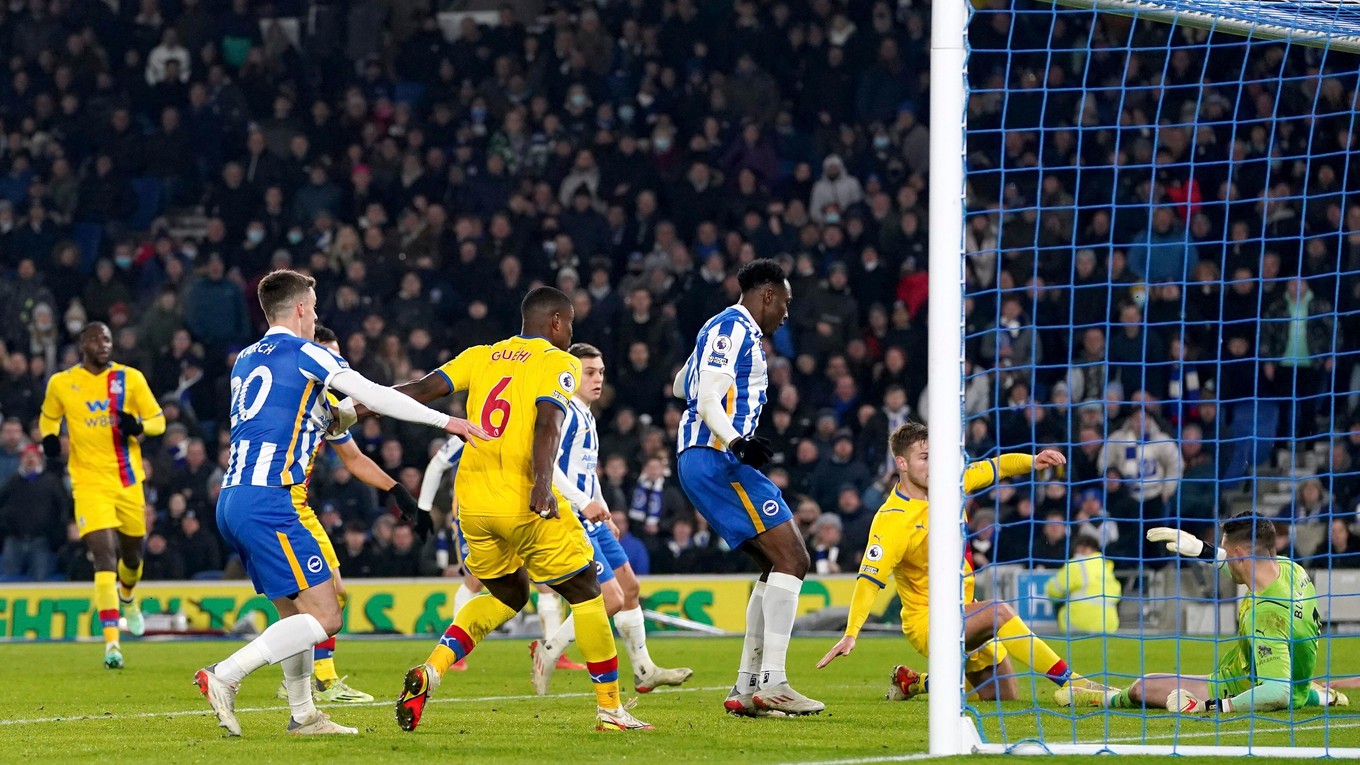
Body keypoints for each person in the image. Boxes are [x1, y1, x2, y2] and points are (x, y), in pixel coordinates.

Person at [193, 270, 485, 737]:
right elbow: (375, 395)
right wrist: (446, 421)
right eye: (314, 305)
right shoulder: (305, 351)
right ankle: (225, 675)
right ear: (303, 309)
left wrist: (355, 435)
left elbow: (317, 416)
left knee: (295, 614)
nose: (316, 314)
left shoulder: (246, 359)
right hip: (273, 499)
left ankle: (304, 714)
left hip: (234, 498)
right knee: (326, 616)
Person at [389, 286, 652, 732]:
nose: (570, 332)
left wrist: (356, 406)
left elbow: (419, 389)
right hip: (523, 500)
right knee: (590, 591)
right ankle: (610, 709)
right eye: (569, 323)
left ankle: (432, 670)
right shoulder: (558, 361)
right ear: (555, 322)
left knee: (509, 594)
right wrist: (545, 486)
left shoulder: (482, 355)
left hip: (472, 505)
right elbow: (548, 422)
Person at [816, 422, 1111, 704]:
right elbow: (869, 580)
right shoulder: (892, 519)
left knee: (1004, 695)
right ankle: (1074, 683)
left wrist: (1033, 460)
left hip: (965, 610)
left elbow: (995, 467)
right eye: (925, 457)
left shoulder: (951, 484)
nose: (934, 464)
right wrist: (851, 632)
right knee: (998, 611)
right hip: (928, 622)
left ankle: (915, 682)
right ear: (902, 463)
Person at [672, 259, 822, 716]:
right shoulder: (734, 327)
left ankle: (744, 689)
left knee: (773, 565)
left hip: (711, 457)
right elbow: (706, 396)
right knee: (794, 558)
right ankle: (773, 681)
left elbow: (683, 385)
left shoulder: (721, 329)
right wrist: (735, 438)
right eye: (786, 303)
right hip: (717, 458)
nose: (787, 315)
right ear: (768, 296)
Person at [269, 325, 426, 704]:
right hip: (283, 505)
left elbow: (354, 458)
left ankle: (302, 683)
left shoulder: (324, 408)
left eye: (339, 355)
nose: (335, 363)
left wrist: (395, 489)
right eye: (328, 354)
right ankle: (317, 679)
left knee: (305, 604)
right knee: (327, 596)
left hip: (297, 507)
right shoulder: (296, 398)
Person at [1061, 514, 1349, 713]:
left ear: (1239, 554)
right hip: (1290, 677)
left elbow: (1277, 693)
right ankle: (1317, 694)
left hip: (1241, 685)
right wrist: (1199, 548)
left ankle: (1102, 698)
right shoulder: (1288, 568)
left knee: (1143, 687)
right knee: (1293, 686)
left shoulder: (1267, 616)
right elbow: (1236, 561)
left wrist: (1211, 706)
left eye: (1226, 551)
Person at [532, 342, 693, 694]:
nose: (597, 379)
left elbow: (586, 472)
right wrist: (582, 503)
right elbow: (545, 465)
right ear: (570, 375)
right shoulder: (566, 413)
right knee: (611, 599)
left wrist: (603, 508)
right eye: (589, 372)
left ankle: (645, 670)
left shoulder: (587, 415)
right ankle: (549, 650)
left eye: (601, 372)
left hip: (592, 516)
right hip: (571, 518)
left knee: (631, 590)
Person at [40, 322, 165, 668]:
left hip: (127, 480)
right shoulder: (62, 383)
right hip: (88, 482)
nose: (103, 343)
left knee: (133, 557)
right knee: (103, 556)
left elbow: (158, 420)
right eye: (96, 338)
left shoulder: (131, 379)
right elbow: (49, 417)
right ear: (82, 343)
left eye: (108, 338)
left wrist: (138, 427)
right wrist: (50, 438)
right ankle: (112, 644)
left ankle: (128, 597)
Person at [417, 434, 585, 673]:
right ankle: (455, 654)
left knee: (546, 582)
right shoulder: (472, 429)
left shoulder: (522, 427)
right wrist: (423, 508)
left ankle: (553, 652)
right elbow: (438, 462)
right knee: (474, 580)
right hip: (474, 512)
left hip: (517, 510)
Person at [1044, 534, 1122, 634]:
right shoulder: (1106, 567)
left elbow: (1054, 591)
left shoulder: (1077, 564)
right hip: (1108, 625)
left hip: (1079, 624)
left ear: (1080, 548)